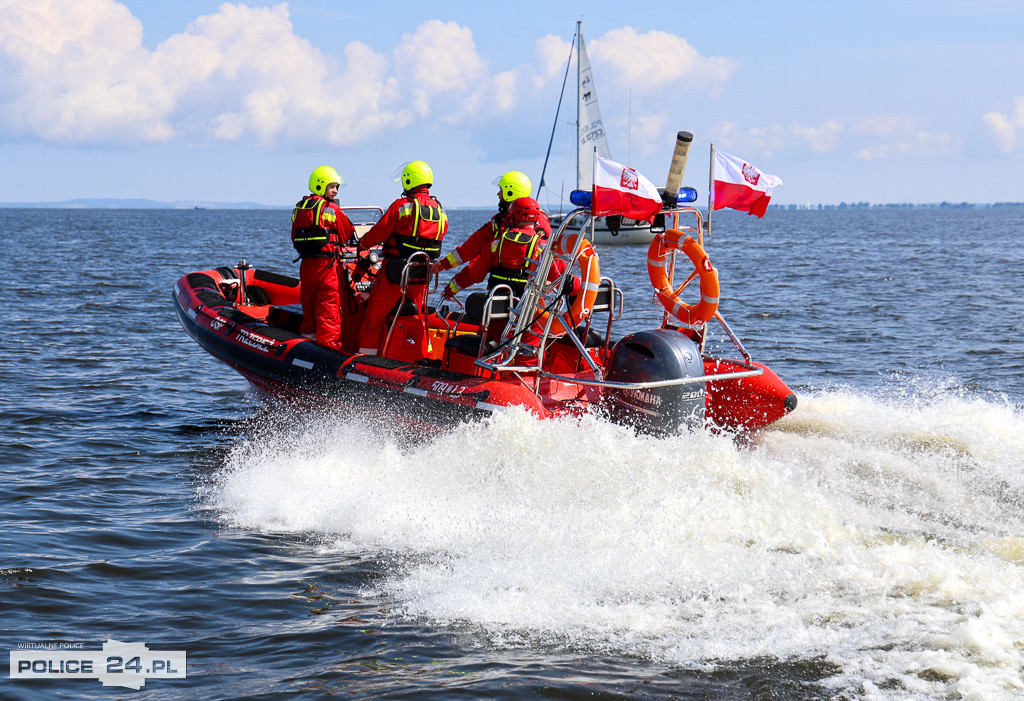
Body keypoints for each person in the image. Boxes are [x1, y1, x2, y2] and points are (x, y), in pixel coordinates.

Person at [356, 160, 448, 355]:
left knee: (374, 317)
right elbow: (441, 235)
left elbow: (380, 231)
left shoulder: (402, 206)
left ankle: (365, 361)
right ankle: (422, 355)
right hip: (421, 274)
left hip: (394, 274)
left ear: (408, 180)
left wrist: (362, 244)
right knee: (418, 316)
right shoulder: (439, 210)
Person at [431, 171, 550, 277]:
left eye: (501, 190)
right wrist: (444, 264)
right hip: (505, 285)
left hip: (529, 288)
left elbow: (549, 255)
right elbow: (472, 246)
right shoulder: (500, 221)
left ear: (510, 192)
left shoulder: (538, 220)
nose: (498, 194)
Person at [291, 166, 356, 351]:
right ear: (320, 186)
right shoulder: (331, 209)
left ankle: (306, 346)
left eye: (336, 187)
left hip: (306, 265)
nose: (335, 191)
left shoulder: (299, 209)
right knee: (329, 311)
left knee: (309, 308)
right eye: (332, 187)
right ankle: (329, 352)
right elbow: (346, 233)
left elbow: (294, 236)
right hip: (327, 268)